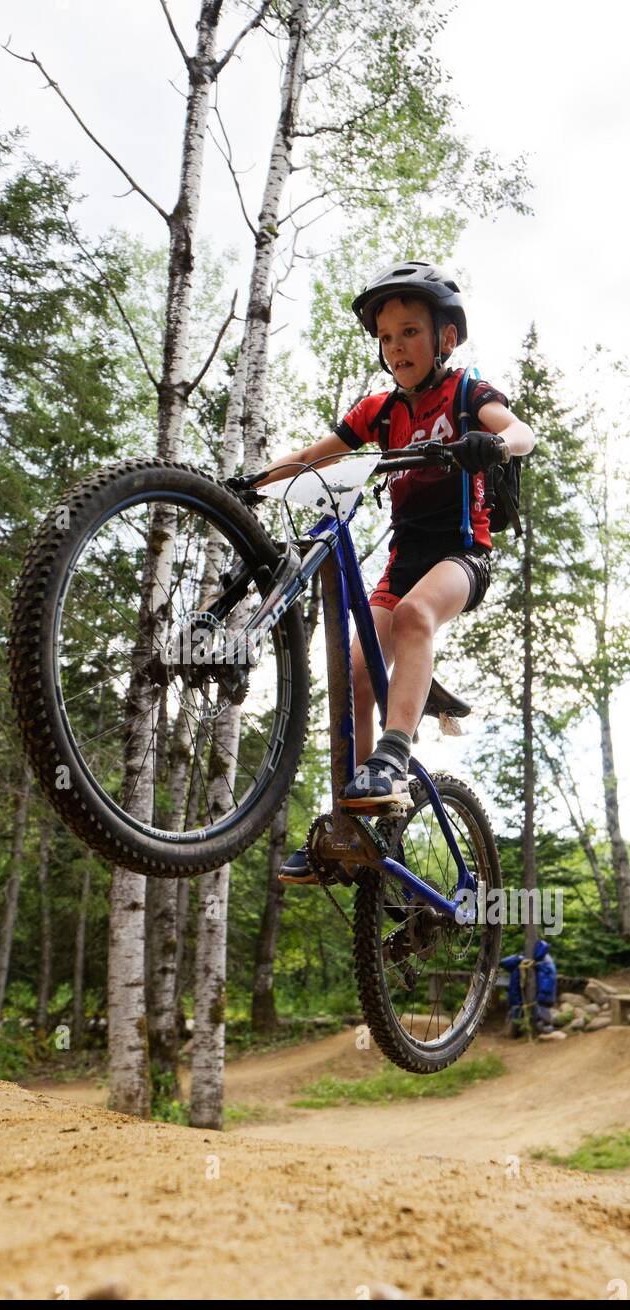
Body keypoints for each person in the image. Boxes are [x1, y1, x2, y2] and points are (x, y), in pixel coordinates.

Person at [264, 261, 536, 883]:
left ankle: (392, 756)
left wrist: (490, 444)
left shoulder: (468, 393)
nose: (396, 348)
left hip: (462, 556)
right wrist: (253, 481)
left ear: (445, 336)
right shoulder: (380, 411)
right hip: (402, 562)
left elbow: (522, 432)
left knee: (416, 615)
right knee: (357, 668)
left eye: (409, 332)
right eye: (386, 338)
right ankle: (356, 819)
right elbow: (313, 455)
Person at [501, 939, 558, 1035]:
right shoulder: (527, 959)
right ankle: (518, 1032)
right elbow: (504, 963)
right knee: (519, 1016)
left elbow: (548, 978)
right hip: (524, 998)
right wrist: (519, 958)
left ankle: (541, 1033)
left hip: (539, 998)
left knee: (538, 1018)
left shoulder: (543, 961)